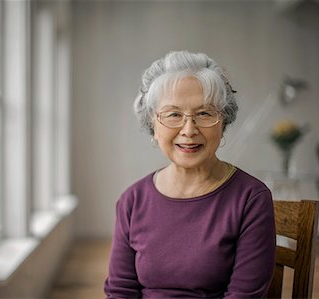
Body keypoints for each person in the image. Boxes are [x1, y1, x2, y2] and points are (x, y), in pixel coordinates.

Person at [104, 51, 276, 298]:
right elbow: (121, 291)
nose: (189, 130)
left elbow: (244, 295)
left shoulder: (251, 198)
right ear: (152, 124)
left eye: (204, 113)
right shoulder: (132, 200)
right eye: (173, 114)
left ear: (223, 121)